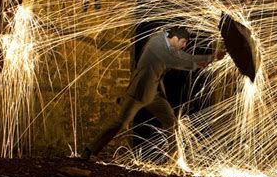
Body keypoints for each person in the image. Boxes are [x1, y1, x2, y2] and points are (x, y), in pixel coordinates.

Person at [81, 26, 224, 161]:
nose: (184, 46)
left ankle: (173, 160)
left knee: (171, 122)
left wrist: (210, 58)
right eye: (184, 42)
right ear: (175, 38)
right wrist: (198, 64)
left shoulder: (166, 44)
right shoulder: (156, 43)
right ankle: (90, 150)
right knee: (121, 123)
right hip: (140, 91)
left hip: (154, 93)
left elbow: (181, 56)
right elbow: (174, 60)